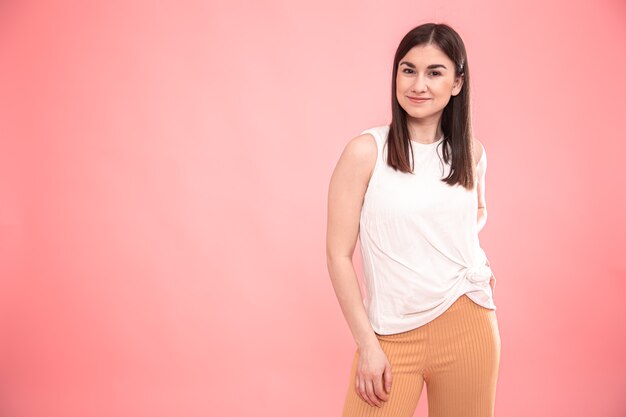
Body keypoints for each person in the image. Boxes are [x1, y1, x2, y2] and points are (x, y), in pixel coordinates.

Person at [326, 22, 501, 417]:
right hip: (390, 334)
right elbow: (338, 255)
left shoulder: (472, 153)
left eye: (434, 72)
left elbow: (473, 213)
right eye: (408, 70)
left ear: (457, 83)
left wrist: (474, 264)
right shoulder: (365, 151)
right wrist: (368, 345)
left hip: (467, 322)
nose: (418, 84)